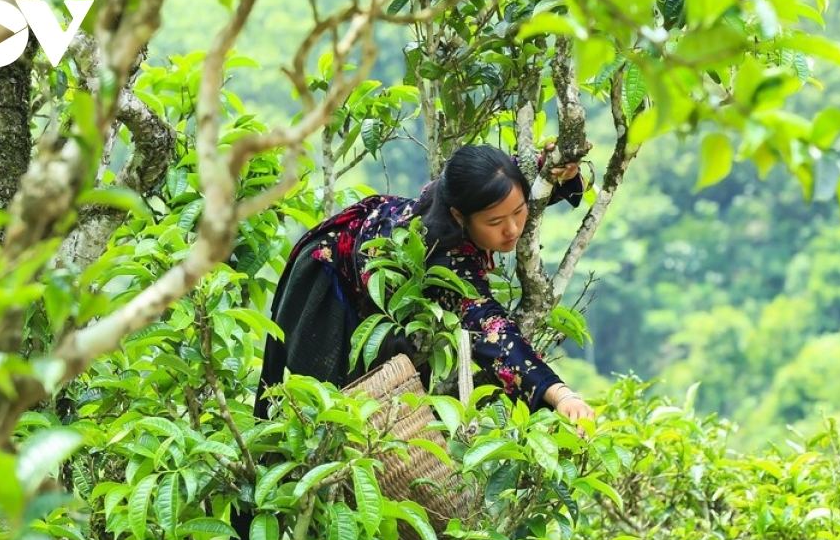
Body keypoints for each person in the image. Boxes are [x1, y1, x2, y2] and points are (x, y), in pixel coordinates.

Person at [255, 143, 595, 424]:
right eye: (495, 222)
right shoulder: (443, 252)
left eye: (519, 213)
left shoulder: (489, 186)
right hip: (331, 279)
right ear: (460, 216)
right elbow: (494, 332)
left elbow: (522, 184)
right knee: (315, 410)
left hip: (380, 261)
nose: (512, 229)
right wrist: (559, 393)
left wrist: (558, 169)